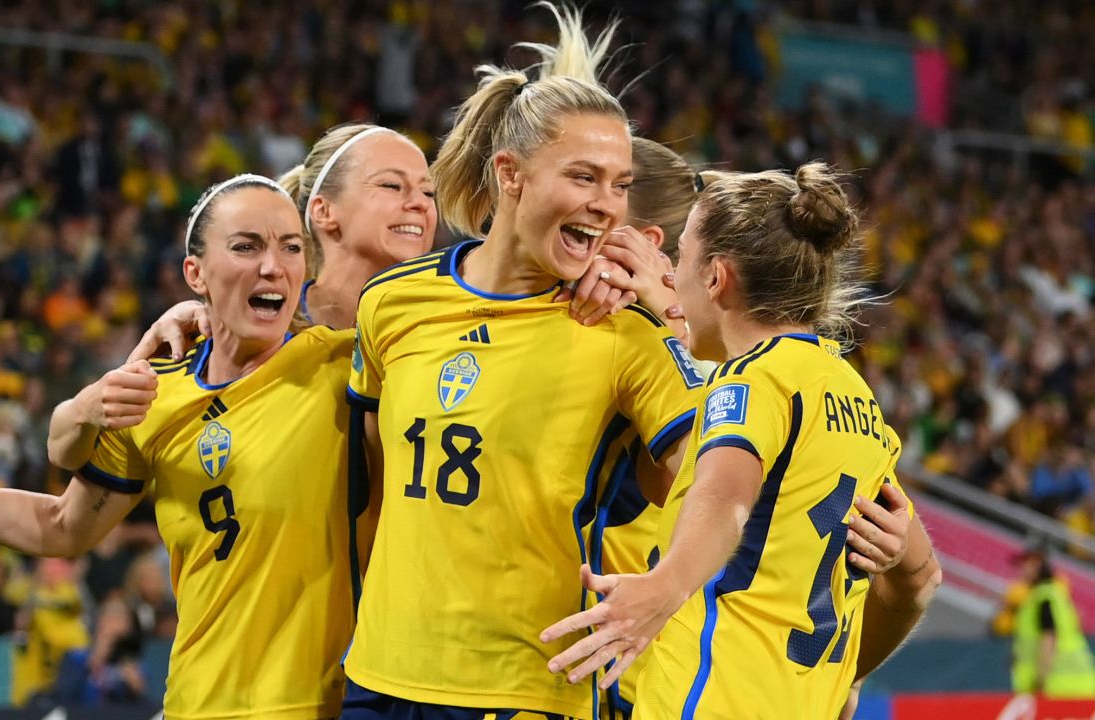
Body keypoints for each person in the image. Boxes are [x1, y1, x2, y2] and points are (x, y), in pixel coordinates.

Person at [0, 174, 357, 720]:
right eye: (246, 246)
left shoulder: (343, 365)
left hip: (320, 707)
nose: (273, 266)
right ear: (196, 273)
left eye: (290, 247)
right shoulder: (154, 396)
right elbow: (63, 526)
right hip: (196, 704)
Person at [341, 5, 700, 719]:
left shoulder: (624, 330)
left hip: (524, 690)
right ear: (511, 175)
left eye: (620, 185)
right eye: (585, 177)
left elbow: (717, 473)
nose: (606, 206)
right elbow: (372, 493)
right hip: (379, 680)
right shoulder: (391, 304)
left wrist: (671, 313)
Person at [540, 164, 943, 720]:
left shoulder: (752, 379)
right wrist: (848, 673)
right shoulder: (856, 402)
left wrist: (665, 586)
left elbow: (726, 496)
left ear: (715, 279)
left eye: (678, 258)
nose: (669, 276)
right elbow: (920, 579)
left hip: (711, 699)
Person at [1008, 541, 1095, 698]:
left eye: (1024, 564)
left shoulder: (1044, 597)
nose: (1020, 570)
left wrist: (1040, 681)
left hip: (1060, 690)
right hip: (1078, 687)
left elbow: (1049, 638)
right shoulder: (1054, 594)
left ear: (1037, 564)